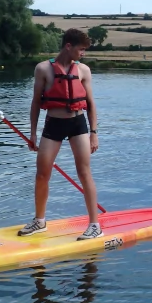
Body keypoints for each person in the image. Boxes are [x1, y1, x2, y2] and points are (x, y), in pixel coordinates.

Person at [19, 28, 101, 240]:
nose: (83, 53)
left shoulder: (84, 70)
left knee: (84, 172)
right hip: (53, 124)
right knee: (42, 174)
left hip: (78, 124)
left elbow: (91, 104)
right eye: (81, 49)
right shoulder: (43, 69)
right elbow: (36, 102)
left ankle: (94, 225)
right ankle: (40, 221)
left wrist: (94, 133)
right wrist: (33, 133)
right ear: (68, 46)